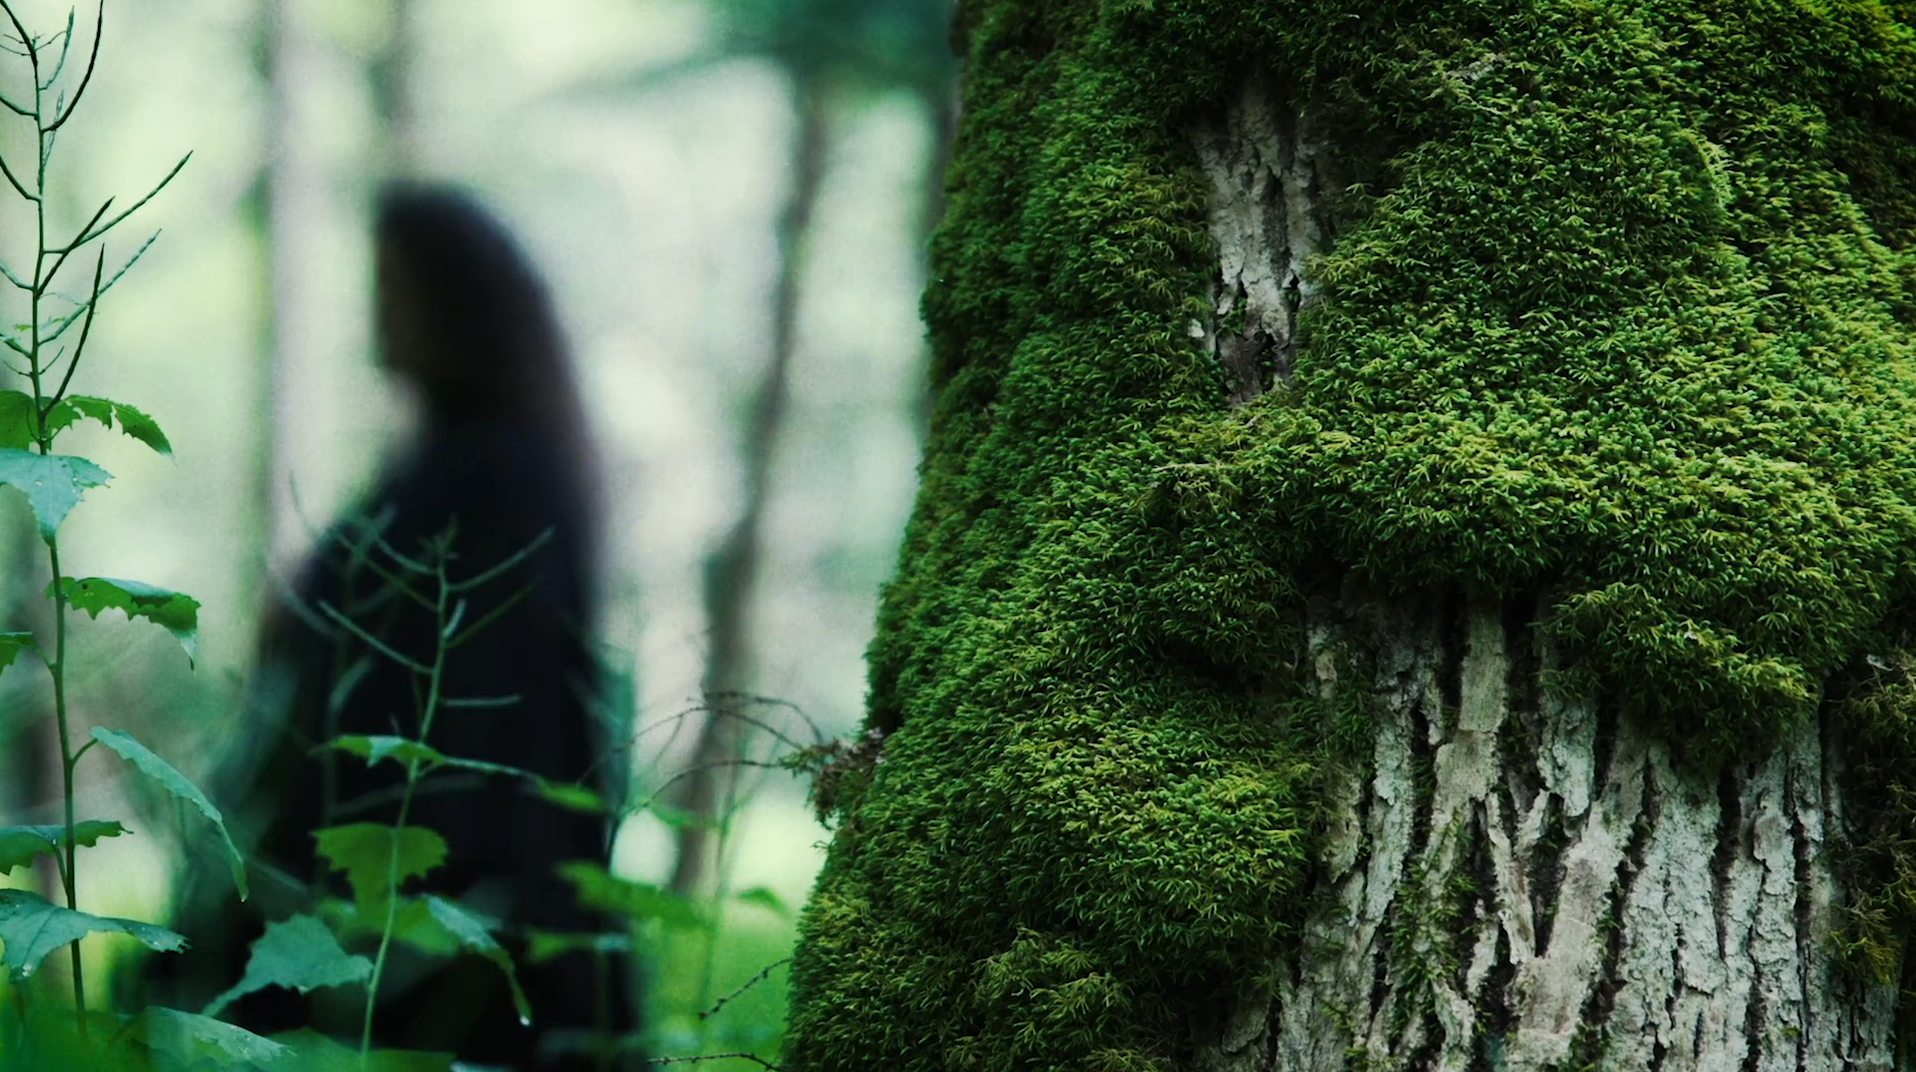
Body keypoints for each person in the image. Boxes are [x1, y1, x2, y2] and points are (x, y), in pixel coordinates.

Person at [148, 185, 633, 1070]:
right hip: (386, 856)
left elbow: (484, 695)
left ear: (459, 305)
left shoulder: (498, 473)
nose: (378, 311)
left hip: (447, 870)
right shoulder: (450, 463)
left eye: (397, 285)